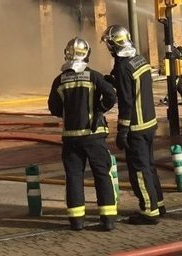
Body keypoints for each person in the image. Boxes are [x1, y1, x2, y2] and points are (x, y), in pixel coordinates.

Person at [47, 37, 118, 232]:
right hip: (94, 135)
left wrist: (69, 112)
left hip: (71, 137)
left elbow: (53, 108)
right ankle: (108, 219)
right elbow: (111, 95)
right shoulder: (94, 76)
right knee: (102, 174)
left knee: (74, 177)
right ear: (87, 54)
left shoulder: (59, 80)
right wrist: (100, 110)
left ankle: (77, 221)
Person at [101, 24, 164, 225]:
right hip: (150, 123)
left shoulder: (122, 67)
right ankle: (158, 203)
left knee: (139, 169)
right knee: (149, 166)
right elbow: (135, 86)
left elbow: (127, 102)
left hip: (136, 127)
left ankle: (149, 211)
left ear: (114, 45)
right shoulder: (140, 60)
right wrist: (115, 81)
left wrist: (122, 130)